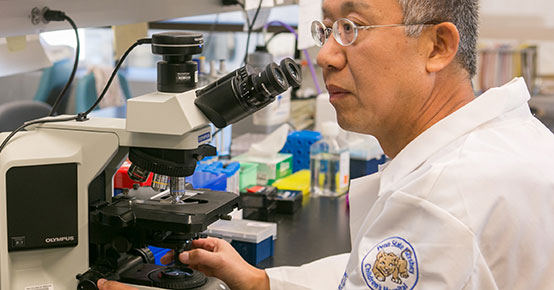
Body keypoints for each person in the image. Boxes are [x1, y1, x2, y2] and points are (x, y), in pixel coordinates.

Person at [99, 0, 554, 289]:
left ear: (437, 46)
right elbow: (363, 276)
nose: (325, 55)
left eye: (352, 28)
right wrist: (262, 285)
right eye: (327, 29)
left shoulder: (445, 201)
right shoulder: (504, 142)